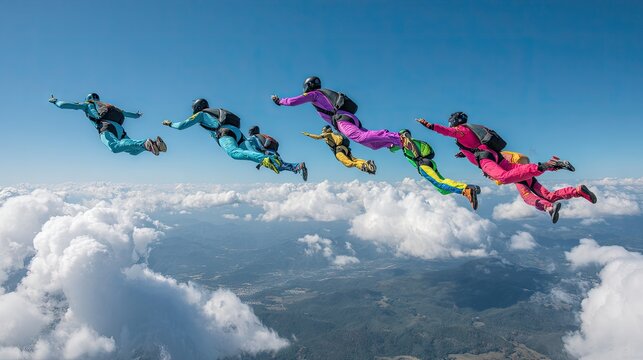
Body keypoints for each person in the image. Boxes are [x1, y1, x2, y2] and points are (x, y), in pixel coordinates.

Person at [416, 113, 575, 185]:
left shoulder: (461, 130)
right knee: (520, 169)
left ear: (453, 122)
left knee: (503, 178)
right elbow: (474, 145)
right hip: (494, 154)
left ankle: (546, 165)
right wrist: (463, 153)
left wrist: (430, 126)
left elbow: (448, 132)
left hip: (486, 159)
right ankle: (552, 164)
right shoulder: (473, 129)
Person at [271, 76, 402, 150]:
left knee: (361, 137)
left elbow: (294, 101)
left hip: (341, 119)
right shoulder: (325, 94)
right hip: (350, 117)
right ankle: (393, 144)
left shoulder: (314, 94)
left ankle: (398, 137)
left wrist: (280, 101)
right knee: (371, 143)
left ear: (308, 86)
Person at [162, 99, 282, 173]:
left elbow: (181, 125)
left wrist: (170, 124)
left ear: (197, 107)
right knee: (253, 152)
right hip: (237, 132)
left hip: (225, 133)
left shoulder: (201, 114)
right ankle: (286, 164)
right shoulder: (217, 111)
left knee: (234, 153)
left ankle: (266, 159)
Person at [49, 93, 166, 156]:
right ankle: (153, 145)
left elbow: (65, 105)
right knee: (133, 151)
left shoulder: (87, 104)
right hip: (120, 129)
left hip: (106, 126)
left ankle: (145, 143)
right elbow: (127, 114)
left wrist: (55, 101)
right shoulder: (108, 106)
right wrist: (137, 115)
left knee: (114, 147)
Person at [497, 151, 597, 223]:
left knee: (528, 198)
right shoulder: (503, 153)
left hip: (519, 176)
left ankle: (549, 207)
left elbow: (501, 176)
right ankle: (578, 191)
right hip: (528, 175)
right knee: (548, 196)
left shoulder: (495, 157)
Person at [391, 129, 480, 210]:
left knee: (439, 183)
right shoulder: (411, 143)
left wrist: (388, 140)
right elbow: (392, 148)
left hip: (423, 165)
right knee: (442, 190)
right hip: (429, 163)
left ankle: (467, 189)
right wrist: (389, 143)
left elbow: (397, 144)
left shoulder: (407, 141)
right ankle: (473, 188)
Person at [302, 125, 377, 175]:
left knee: (349, 164)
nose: (322, 131)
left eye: (323, 130)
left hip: (339, 150)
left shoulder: (328, 134)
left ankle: (363, 166)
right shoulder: (336, 133)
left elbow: (317, 137)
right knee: (354, 159)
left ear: (326, 130)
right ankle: (367, 163)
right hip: (345, 149)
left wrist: (308, 134)